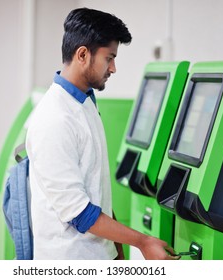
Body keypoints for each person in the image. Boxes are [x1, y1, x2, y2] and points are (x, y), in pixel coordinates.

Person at [26, 7, 178, 260]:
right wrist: (142, 242)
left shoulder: (85, 103)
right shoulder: (54, 119)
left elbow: (96, 191)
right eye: (109, 58)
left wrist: (117, 251)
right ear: (83, 54)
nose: (114, 68)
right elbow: (80, 213)